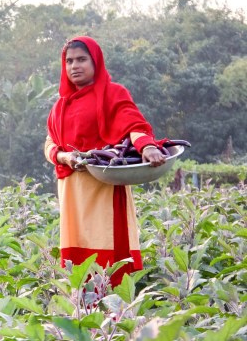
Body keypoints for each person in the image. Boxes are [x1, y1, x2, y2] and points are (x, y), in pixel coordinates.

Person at [44, 36, 166, 287]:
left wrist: (148, 146)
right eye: (69, 61)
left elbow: (134, 125)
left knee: (111, 254)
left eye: (81, 59)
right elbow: (50, 145)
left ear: (96, 62)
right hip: (72, 191)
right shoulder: (59, 106)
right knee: (78, 265)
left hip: (105, 186)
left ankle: (115, 317)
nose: (74, 66)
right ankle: (84, 314)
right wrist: (65, 156)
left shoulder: (113, 93)